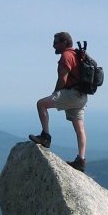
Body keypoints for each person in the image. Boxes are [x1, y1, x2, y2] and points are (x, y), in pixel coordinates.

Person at [29, 31, 87, 171]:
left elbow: (63, 79)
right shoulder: (77, 54)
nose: (53, 45)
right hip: (82, 96)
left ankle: (45, 137)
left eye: (56, 42)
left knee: (41, 104)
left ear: (64, 43)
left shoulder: (66, 56)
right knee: (80, 129)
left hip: (71, 94)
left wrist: (56, 92)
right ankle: (81, 159)